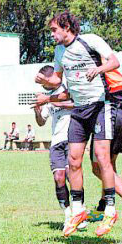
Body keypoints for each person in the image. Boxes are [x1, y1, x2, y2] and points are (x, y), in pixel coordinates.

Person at [34, 11, 122, 237]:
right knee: (73, 159)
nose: (52, 34)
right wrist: (46, 82)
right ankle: (77, 210)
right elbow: (58, 79)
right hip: (79, 109)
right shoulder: (59, 51)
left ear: (67, 27)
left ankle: (110, 209)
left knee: (102, 158)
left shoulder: (91, 40)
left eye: (54, 30)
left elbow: (115, 61)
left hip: (100, 105)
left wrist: (99, 69)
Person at [33, 66, 86, 234]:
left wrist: (50, 100)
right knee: (59, 177)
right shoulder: (48, 98)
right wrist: (37, 110)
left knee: (72, 175)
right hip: (56, 141)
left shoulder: (67, 88)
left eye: (43, 80)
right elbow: (41, 122)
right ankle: (68, 215)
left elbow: (76, 104)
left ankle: (80, 212)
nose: (42, 85)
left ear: (50, 77)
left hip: (72, 138)